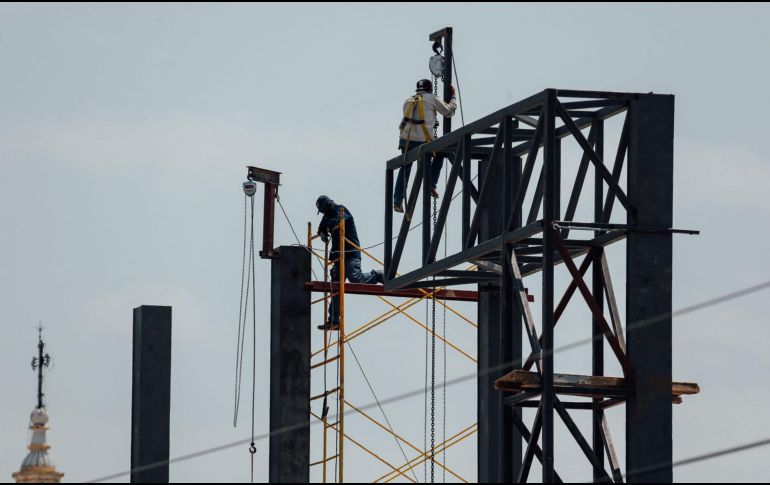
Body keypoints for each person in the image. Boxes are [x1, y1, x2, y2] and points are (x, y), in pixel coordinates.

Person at [315, 195, 384, 331]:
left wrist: (326, 226)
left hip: (350, 253)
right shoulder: (327, 215)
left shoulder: (341, 210)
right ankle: (334, 320)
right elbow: (323, 225)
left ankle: (378, 275)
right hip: (338, 256)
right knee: (335, 288)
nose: (323, 214)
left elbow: (337, 221)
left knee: (355, 277)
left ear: (327, 207)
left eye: (323, 211)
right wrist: (321, 232)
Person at [393, 78, 458, 213]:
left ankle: (397, 201)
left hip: (406, 141)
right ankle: (430, 184)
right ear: (430, 89)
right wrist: (452, 97)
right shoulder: (432, 99)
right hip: (423, 141)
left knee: (405, 168)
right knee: (440, 153)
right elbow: (449, 112)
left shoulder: (408, 101)